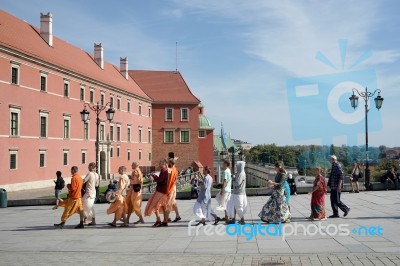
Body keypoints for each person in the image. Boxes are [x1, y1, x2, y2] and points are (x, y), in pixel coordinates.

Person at [144, 159, 170, 227]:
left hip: (160, 191)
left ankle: (159, 220)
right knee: (164, 206)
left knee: (154, 205)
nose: (159, 164)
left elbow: (159, 180)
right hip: (164, 190)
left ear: (163, 163)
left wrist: (154, 176)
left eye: (160, 163)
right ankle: (165, 221)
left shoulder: (164, 171)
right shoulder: (165, 170)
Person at [165, 158, 181, 223]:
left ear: (170, 163)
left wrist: (166, 163)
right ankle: (177, 216)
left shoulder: (170, 170)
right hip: (174, 187)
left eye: (169, 163)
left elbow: (168, 170)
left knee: (168, 203)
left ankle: (167, 218)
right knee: (173, 202)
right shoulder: (175, 169)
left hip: (170, 188)